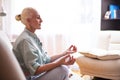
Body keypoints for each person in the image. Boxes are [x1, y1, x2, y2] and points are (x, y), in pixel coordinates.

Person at [13, 7, 77, 80]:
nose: (41, 20)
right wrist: (58, 63)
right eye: (38, 18)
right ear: (28, 20)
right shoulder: (25, 40)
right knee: (63, 70)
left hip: (36, 75)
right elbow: (36, 70)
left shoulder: (31, 36)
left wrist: (64, 53)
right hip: (31, 78)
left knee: (65, 65)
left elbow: (46, 60)